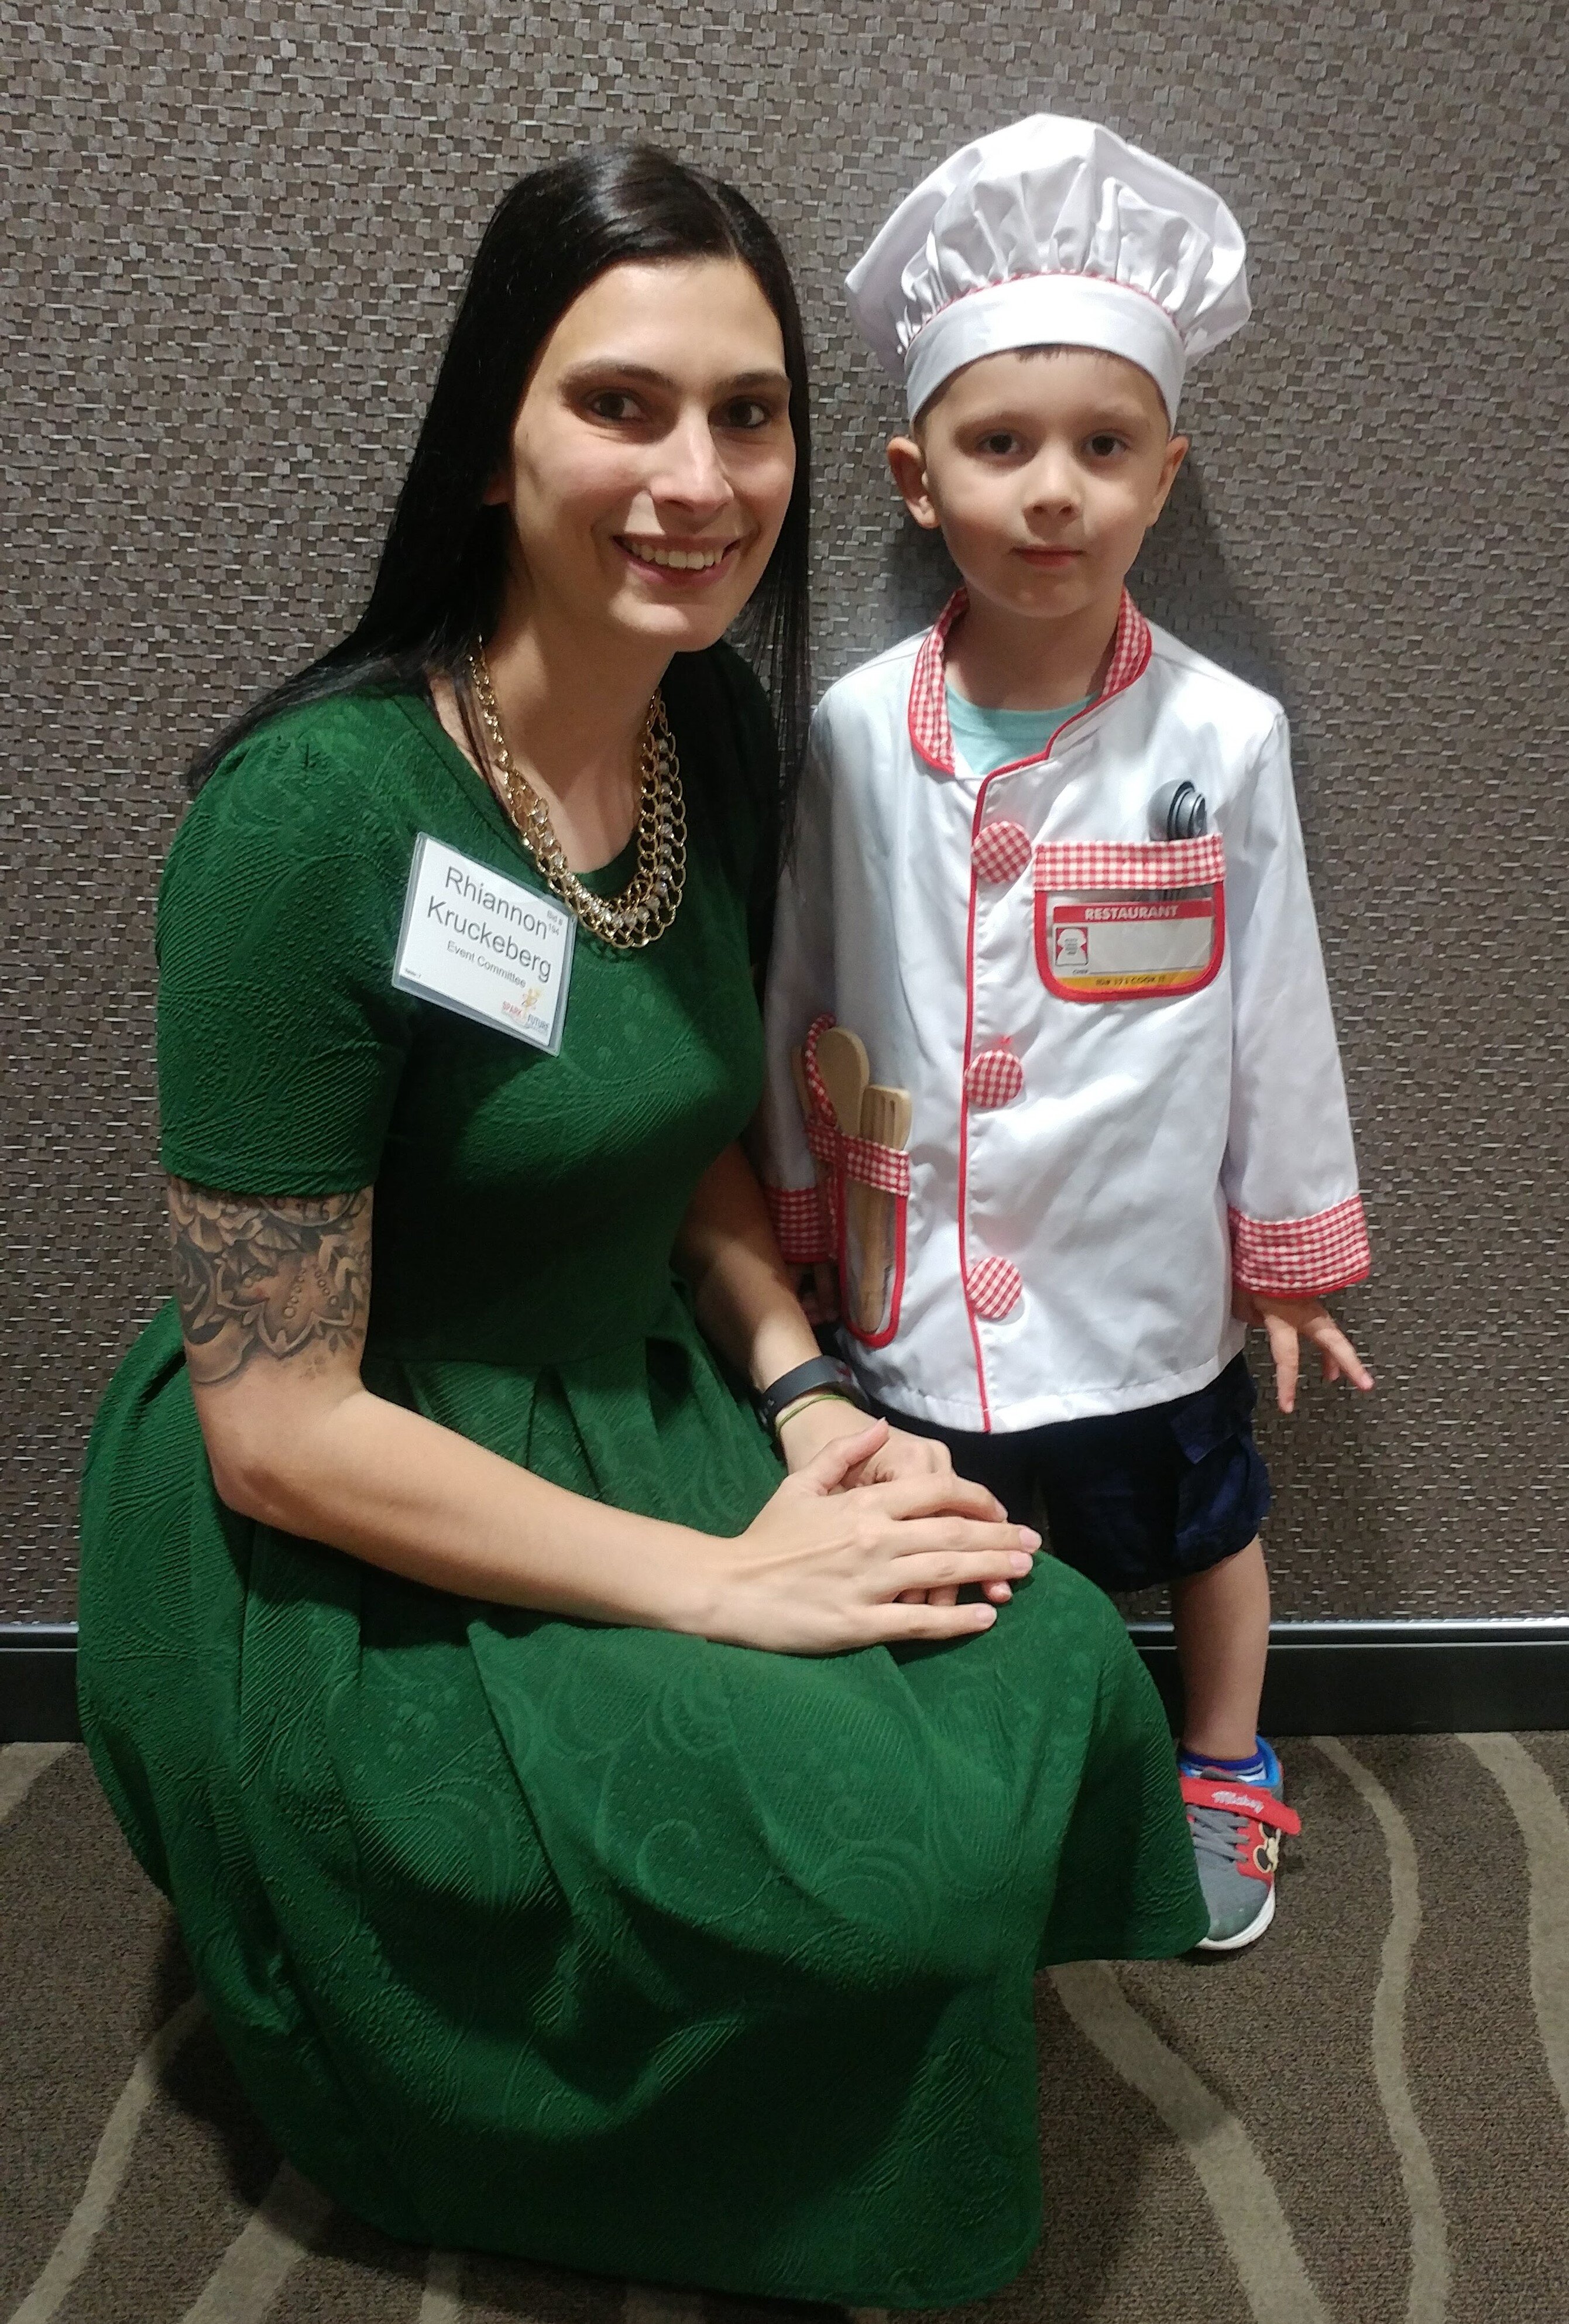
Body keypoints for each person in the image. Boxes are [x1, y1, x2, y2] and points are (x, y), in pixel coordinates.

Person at [78, 145, 1206, 2309]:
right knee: (877, 1865)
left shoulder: (709, 731)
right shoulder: (305, 826)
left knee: (1045, 1647)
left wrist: (798, 1393)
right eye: (622, 405)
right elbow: (276, 1426)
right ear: (492, 444)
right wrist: (718, 1586)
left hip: (639, 1380)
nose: (699, 476)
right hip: (354, 1487)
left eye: (750, 411)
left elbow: (676, 1123)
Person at [758, 116, 1374, 1956]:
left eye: (1102, 449)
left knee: (1202, 1524)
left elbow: (1277, 998)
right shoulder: (856, 731)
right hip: (916, 1271)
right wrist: (799, 1212)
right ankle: (973, 1770)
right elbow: (799, 976)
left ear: (1163, 477)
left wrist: (1287, 1248)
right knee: (942, 1536)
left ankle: (1218, 1758)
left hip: (1137, 1263)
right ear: (910, 472)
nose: (1052, 492)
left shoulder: (1221, 738)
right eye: (998, 444)